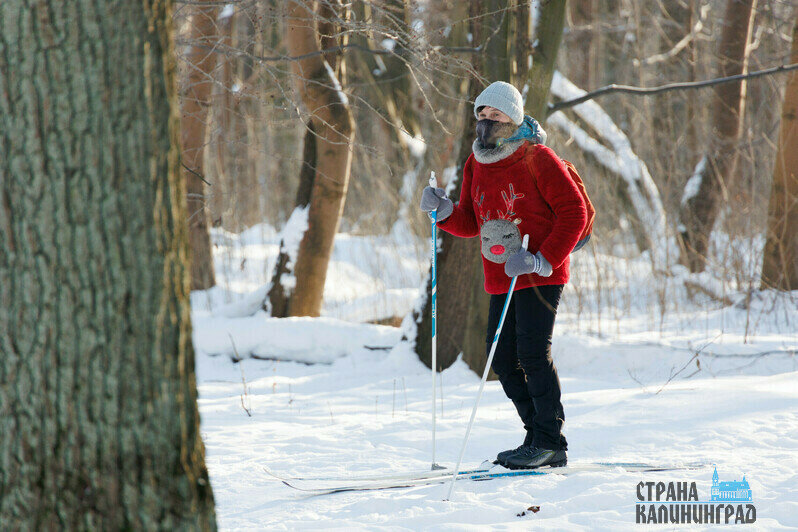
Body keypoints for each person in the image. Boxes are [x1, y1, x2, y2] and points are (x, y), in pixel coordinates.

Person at [419, 81, 587, 469]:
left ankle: (549, 440)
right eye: (481, 114)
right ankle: (538, 435)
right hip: (500, 277)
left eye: (496, 115)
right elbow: (470, 221)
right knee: (503, 359)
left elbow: (574, 214)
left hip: (542, 273)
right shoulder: (475, 162)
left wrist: (542, 259)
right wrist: (442, 213)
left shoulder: (537, 157)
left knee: (531, 353)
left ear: (513, 118)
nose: (487, 122)